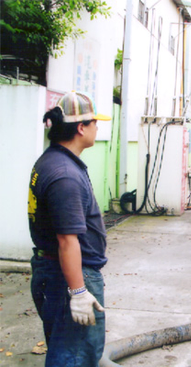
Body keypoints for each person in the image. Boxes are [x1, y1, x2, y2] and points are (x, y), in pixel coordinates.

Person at [28, 91, 111, 366]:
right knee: (74, 357)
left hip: (56, 273)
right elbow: (67, 241)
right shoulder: (65, 174)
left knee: (65, 351)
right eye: (95, 122)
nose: (98, 127)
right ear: (80, 127)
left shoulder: (54, 161)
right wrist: (77, 292)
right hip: (68, 277)